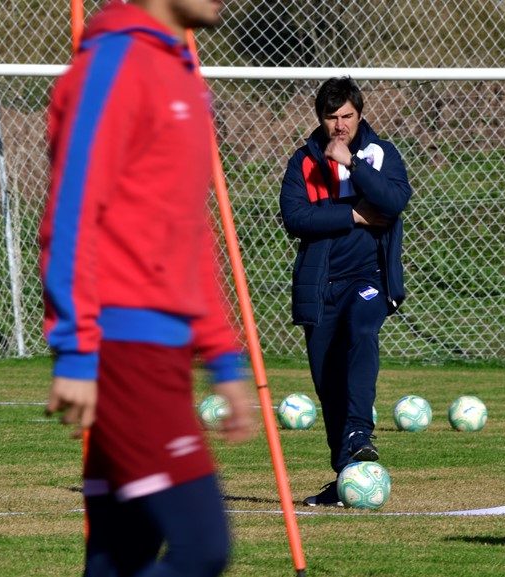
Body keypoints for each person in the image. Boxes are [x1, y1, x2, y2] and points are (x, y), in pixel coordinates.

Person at [40, 1, 255, 575]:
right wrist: (78, 349)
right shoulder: (113, 64)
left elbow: (190, 234)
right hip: (122, 353)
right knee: (202, 548)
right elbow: (71, 212)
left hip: (161, 354)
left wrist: (222, 359)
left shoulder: (178, 69)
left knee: (122, 557)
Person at [279, 77, 413, 506]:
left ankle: (360, 432)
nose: (340, 126)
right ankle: (346, 476)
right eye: (331, 118)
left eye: (347, 117)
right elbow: (296, 219)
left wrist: (354, 164)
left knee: (361, 328)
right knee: (327, 381)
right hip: (320, 286)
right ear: (320, 118)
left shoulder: (380, 154)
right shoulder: (302, 161)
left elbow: (393, 203)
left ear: (360, 113)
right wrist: (354, 215)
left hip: (369, 278)